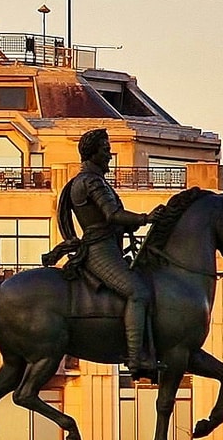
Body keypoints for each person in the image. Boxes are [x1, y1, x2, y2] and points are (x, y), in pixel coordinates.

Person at [53, 127, 158, 375]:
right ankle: (135, 358)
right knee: (138, 292)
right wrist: (146, 218)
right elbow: (113, 215)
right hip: (100, 250)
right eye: (106, 150)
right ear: (93, 153)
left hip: (107, 246)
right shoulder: (90, 181)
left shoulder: (92, 180)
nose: (110, 155)